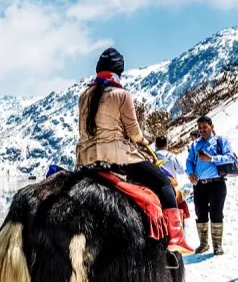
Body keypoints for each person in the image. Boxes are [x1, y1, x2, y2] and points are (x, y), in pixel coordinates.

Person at [76, 48, 193, 254]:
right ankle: (175, 237)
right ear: (118, 71)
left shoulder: (84, 95)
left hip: (87, 159)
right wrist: (144, 141)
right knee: (164, 183)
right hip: (118, 158)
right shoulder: (121, 95)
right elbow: (134, 133)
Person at [185, 116, 236, 255]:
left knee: (216, 213)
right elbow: (189, 161)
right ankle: (203, 244)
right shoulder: (195, 144)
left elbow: (230, 157)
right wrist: (190, 173)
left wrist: (212, 158)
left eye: (204, 127)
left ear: (211, 126)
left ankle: (217, 245)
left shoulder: (220, 141)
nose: (202, 130)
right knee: (200, 213)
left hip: (217, 183)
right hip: (199, 184)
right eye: (199, 128)